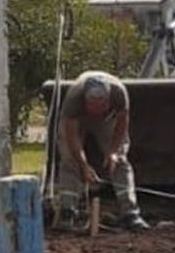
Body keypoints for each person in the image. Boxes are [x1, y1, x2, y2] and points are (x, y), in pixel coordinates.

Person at [55, 70, 149, 231]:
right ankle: (67, 211)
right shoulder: (73, 100)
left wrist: (113, 152)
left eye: (101, 106)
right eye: (92, 106)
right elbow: (72, 138)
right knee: (69, 158)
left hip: (108, 120)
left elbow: (122, 124)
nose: (96, 110)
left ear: (108, 100)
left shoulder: (119, 94)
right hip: (78, 120)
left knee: (120, 160)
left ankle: (130, 213)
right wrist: (83, 165)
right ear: (85, 101)